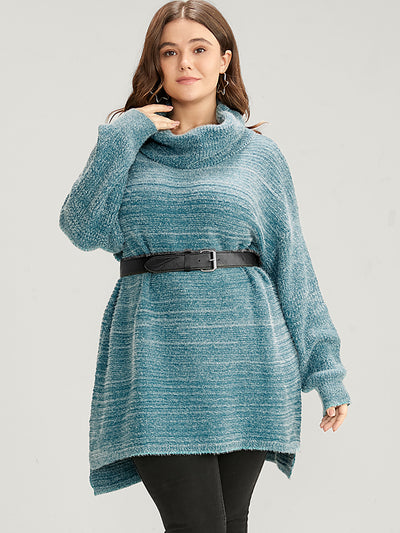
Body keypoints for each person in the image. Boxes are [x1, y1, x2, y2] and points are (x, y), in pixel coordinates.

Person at [58, 1, 351, 531]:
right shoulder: (128, 149)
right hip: (156, 365)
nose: (185, 63)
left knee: (230, 523)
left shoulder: (259, 157)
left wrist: (326, 371)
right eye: (169, 52)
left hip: (250, 366)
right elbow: (81, 228)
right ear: (156, 64)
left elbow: (293, 266)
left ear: (224, 61)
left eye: (199, 49)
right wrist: (121, 137)